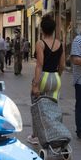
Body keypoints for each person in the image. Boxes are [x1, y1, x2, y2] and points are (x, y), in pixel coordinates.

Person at [27, 14, 65, 144]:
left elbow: (39, 65)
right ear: (54, 30)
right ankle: (56, 135)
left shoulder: (40, 43)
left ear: (42, 30)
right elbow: (62, 65)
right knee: (54, 107)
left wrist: (35, 84)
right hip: (55, 78)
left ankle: (36, 136)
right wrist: (57, 76)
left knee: (37, 106)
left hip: (44, 77)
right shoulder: (60, 44)